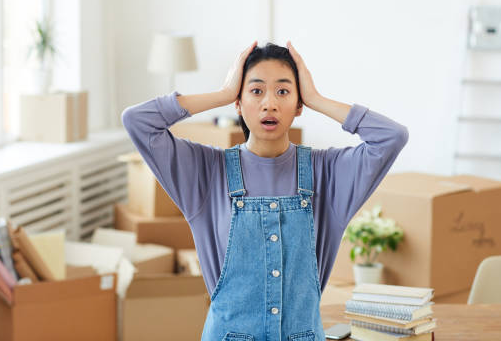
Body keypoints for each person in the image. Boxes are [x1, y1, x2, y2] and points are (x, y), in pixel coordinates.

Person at [121, 40, 408, 341]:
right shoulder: (206, 172)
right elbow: (137, 122)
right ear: (238, 101)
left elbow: (392, 137)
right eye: (256, 91)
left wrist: (316, 98)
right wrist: (221, 94)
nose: (269, 103)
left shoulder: (328, 173)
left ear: (299, 105)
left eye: (283, 91)